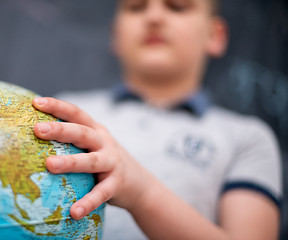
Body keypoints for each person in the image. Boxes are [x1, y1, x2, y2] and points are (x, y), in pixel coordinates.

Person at [32, 0, 282, 239]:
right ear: (116, 34)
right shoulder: (65, 112)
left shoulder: (247, 138)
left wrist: (141, 192)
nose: (154, 17)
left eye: (177, 6)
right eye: (136, 7)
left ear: (214, 35)